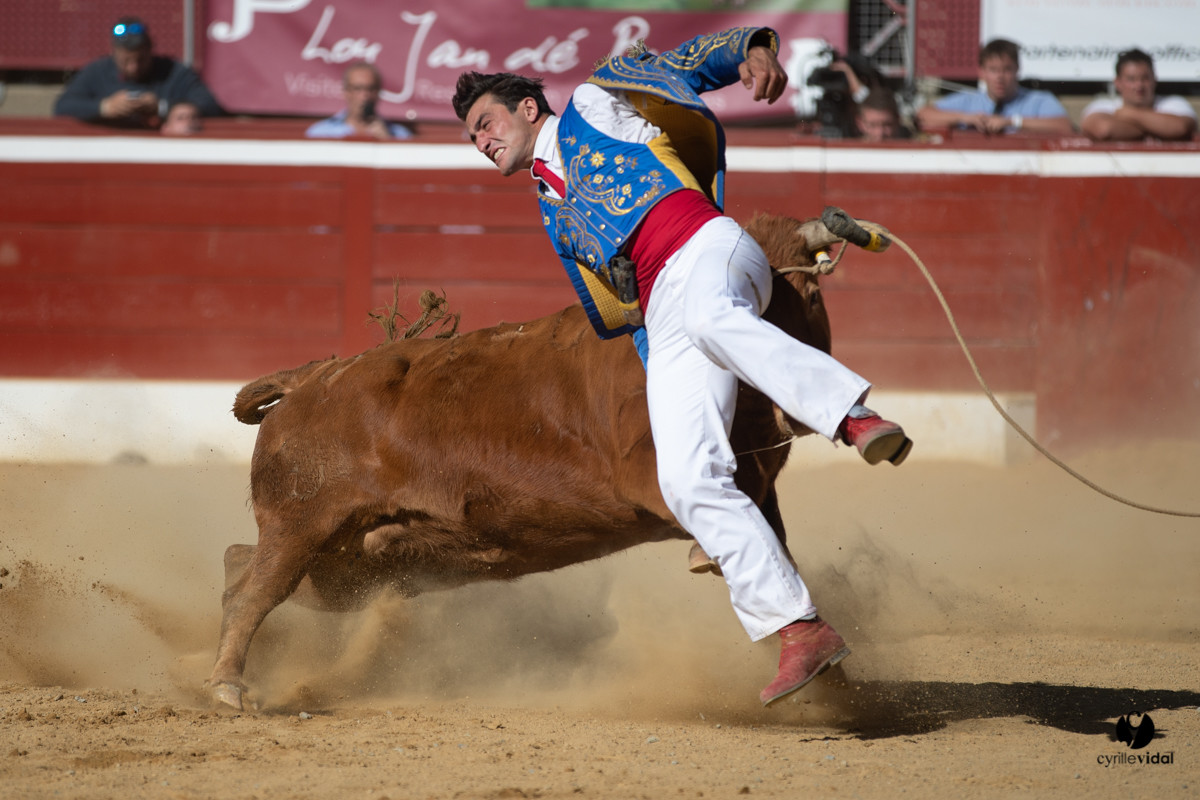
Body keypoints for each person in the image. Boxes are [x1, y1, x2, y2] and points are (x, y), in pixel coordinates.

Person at [452, 28, 913, 708]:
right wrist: (677, 392)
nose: (481, 140)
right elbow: (630, 310)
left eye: (485, 122)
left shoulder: (589, 102)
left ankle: (852, 413)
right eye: (471, 138)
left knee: (708, 317)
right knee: (686, 478)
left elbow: (680, 66)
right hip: (664, 309)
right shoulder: (553, 208)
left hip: (707, 248)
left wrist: (752, 53)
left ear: (526, 109)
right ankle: (798, 629)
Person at [53, 16, 223, 129]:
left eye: (140, 60)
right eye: (126, 61)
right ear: (113, 53)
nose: (133, 67)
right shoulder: (97, 71)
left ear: (150, 51)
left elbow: (210, 104)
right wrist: (105, 107)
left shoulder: (173, 72)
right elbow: (62, 107)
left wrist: (162, 107)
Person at [916, 38, 1073, 135]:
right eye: (993, 70)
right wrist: (966, 118)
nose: (999, 77)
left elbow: (1065, 127)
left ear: (1017, 69)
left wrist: (1011, 122)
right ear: (981, 72)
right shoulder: (969, 101)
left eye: (1006, 69)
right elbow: (923, 115)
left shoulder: (1038, 100)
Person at [1081, 49, 1197, 142]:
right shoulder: (1102, 105)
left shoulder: (1174, 103)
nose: (1139, 85)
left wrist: (1126, 113)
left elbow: (1180, 128)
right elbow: (1103, 130)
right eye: (1131, 79)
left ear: (1154, 79)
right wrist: (1157, 128)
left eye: (1145, 78)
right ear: (1117, 82)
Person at [306, 63, 413, 140]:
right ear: (346, 92)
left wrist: (386, 142)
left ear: (378, 93)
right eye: (358, 89)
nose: (365, 96)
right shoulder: (321, 133)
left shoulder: (399, 135)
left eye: (370, 89)